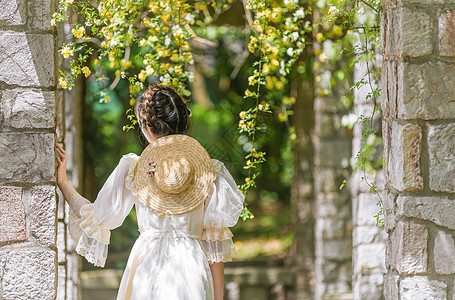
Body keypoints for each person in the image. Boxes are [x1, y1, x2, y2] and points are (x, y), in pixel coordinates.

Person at [56, 85, 245, 300]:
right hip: (192, 269)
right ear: (183, 122)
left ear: (146, 125)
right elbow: (214, 247)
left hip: (145, 268)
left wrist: (63, 182)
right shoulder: (208, 172)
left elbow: (99, 217)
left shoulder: (134, 168)